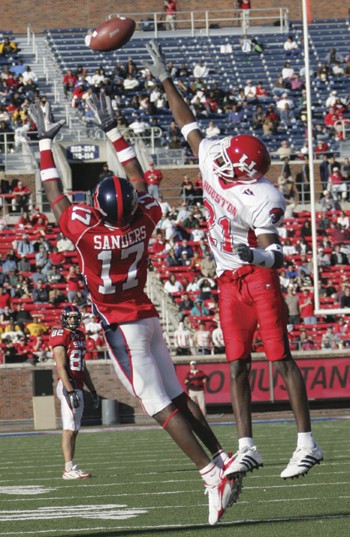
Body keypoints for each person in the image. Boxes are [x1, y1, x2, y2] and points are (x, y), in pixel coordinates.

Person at [29, 95, 241, 526]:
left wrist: (45, 142)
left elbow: (53, 192)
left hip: (121, 325)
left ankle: (210, 475)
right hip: (145, 314)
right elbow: (139, 180)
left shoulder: (86, 230)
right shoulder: (144, 217)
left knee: (156, 404)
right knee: (177, 395)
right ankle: (222, 456)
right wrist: (113, 130)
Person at [143, 40, 323, 480]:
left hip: (255, 275)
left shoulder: (263, 196)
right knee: (237, 363)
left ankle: (307, 443)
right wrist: (166, 80)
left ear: (243, 172)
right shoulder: (213, 158)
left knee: (280, 357)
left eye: (226, 159)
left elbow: (274, 253)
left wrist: (255, 253)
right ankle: (247, 447)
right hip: (227, 280)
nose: (215, 156)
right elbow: (189, 124)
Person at [50, 305, 99, 479]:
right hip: (68, 385)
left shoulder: (79, 335)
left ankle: (71, 466)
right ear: (63, 318)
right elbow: (61, 367)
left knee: (75, 429)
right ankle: (68, 469)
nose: (72, 320)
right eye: (69, 317)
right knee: (69, 428)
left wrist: (92, 389)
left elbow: (82, 366)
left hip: (77, 385)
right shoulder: (60, 334)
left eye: (75, 317)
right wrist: (69, 391)